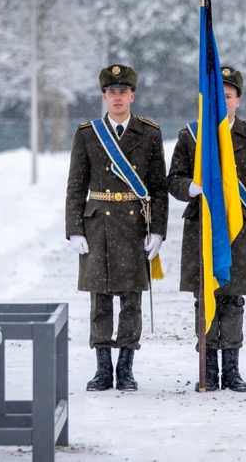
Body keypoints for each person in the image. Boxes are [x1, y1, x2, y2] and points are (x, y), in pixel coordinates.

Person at [167, 66, 246, 393]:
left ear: (237, 101)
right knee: (205, 298)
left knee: (232, 299)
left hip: (239, 230)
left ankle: (231, 368)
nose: (222, 101)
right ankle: (208, 368)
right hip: (201, 228)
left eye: (228, 96)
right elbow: (173, 179)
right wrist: (190, 187)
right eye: (216, 96)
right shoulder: (191, 135)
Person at [65, 64, 168, 392]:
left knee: (131, 299)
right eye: (112, 92)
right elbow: (75, 186)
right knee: (100, 300)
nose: (118, 97)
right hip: (98, 226)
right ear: (104, 96)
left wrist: (158, 230)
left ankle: (125, 368)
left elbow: (158, 187)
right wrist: (74, 229)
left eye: (123, 92)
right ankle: (102, 369)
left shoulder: (149, 133)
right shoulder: (88, 134)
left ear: (132, 96)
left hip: (135, 225)